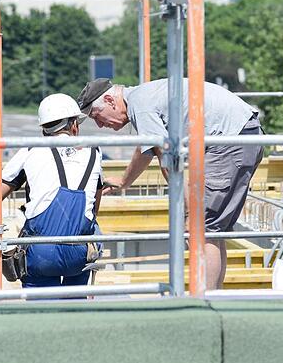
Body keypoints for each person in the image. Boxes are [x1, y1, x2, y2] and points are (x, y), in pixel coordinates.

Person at [76, 77, 263, 290]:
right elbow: (147, 148)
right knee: (210, 228)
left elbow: (167, 161)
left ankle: (206, 299)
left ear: (110, 100)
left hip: (230, 140)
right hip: (240, 133)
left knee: (201, 227)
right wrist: (124, 181)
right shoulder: (142, 99)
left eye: (97, 116)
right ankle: (212, 295)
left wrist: (187, 213)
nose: (100, 125)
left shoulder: (141, 106)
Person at [0, 93, 103, 288]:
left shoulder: (31, 151)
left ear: (44, 129)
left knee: (42, 310)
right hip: (79, 252)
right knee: (76, 308)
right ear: (74, 124)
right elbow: (94, 209)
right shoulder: (95, 153)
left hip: (42, 253)